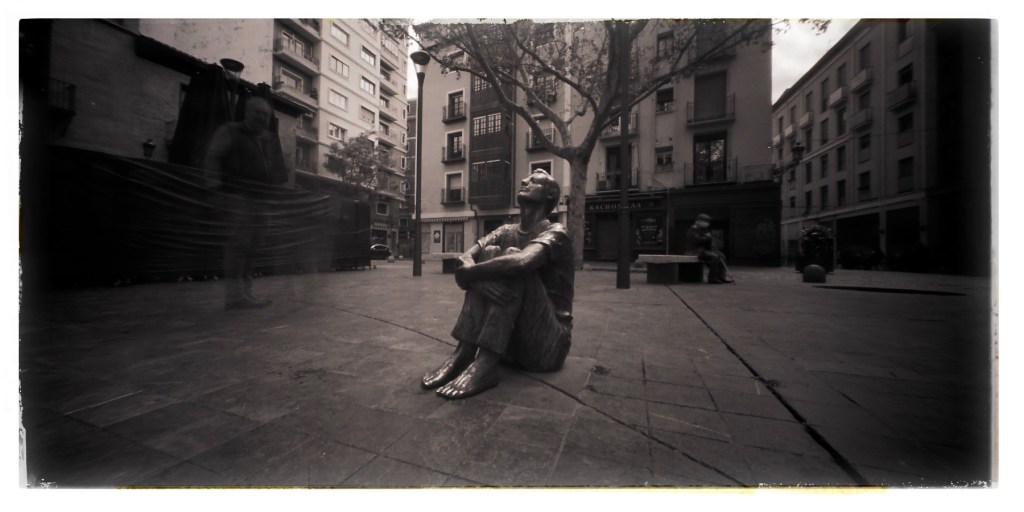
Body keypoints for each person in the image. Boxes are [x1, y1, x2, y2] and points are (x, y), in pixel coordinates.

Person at [422, 169, 574, 399]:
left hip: (547, 346)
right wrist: (477, 279)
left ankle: (485, 363)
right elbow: (465, 258)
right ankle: (464, 353)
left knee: (513, 258)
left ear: (550, 195)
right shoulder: (505, 230)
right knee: (492, 251)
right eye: (526, 178)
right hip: (512, 343)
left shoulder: (557, 232)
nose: (524, 180)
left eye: (533, 180)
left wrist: (472, 276)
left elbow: (522, 262)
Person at [203, 97, 288, 310]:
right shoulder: (231, 131)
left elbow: (278, 171)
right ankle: (234, 296)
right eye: (258, 113)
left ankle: (245, 293)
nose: (262, 117)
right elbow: (213, 158)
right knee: (239, 245)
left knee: (254, 246)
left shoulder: (269, 139)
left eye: (265, 114)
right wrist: (214, 188)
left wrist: (277, 197)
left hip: (262, 199)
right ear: (247, 112)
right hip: (238, 197)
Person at [685, 213, 734, 284]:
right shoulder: (693, 229)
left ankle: (721, 277)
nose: (707, 223)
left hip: (704, 250)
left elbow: (707, 243)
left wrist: (712, 246)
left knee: (722, 256)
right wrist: (706, 238)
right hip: (695, 251)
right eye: (705, 221)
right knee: (715, 257)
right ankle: (712, 278)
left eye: (707, 221)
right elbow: (697, 240)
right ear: (698, 221)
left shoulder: (704, 230)